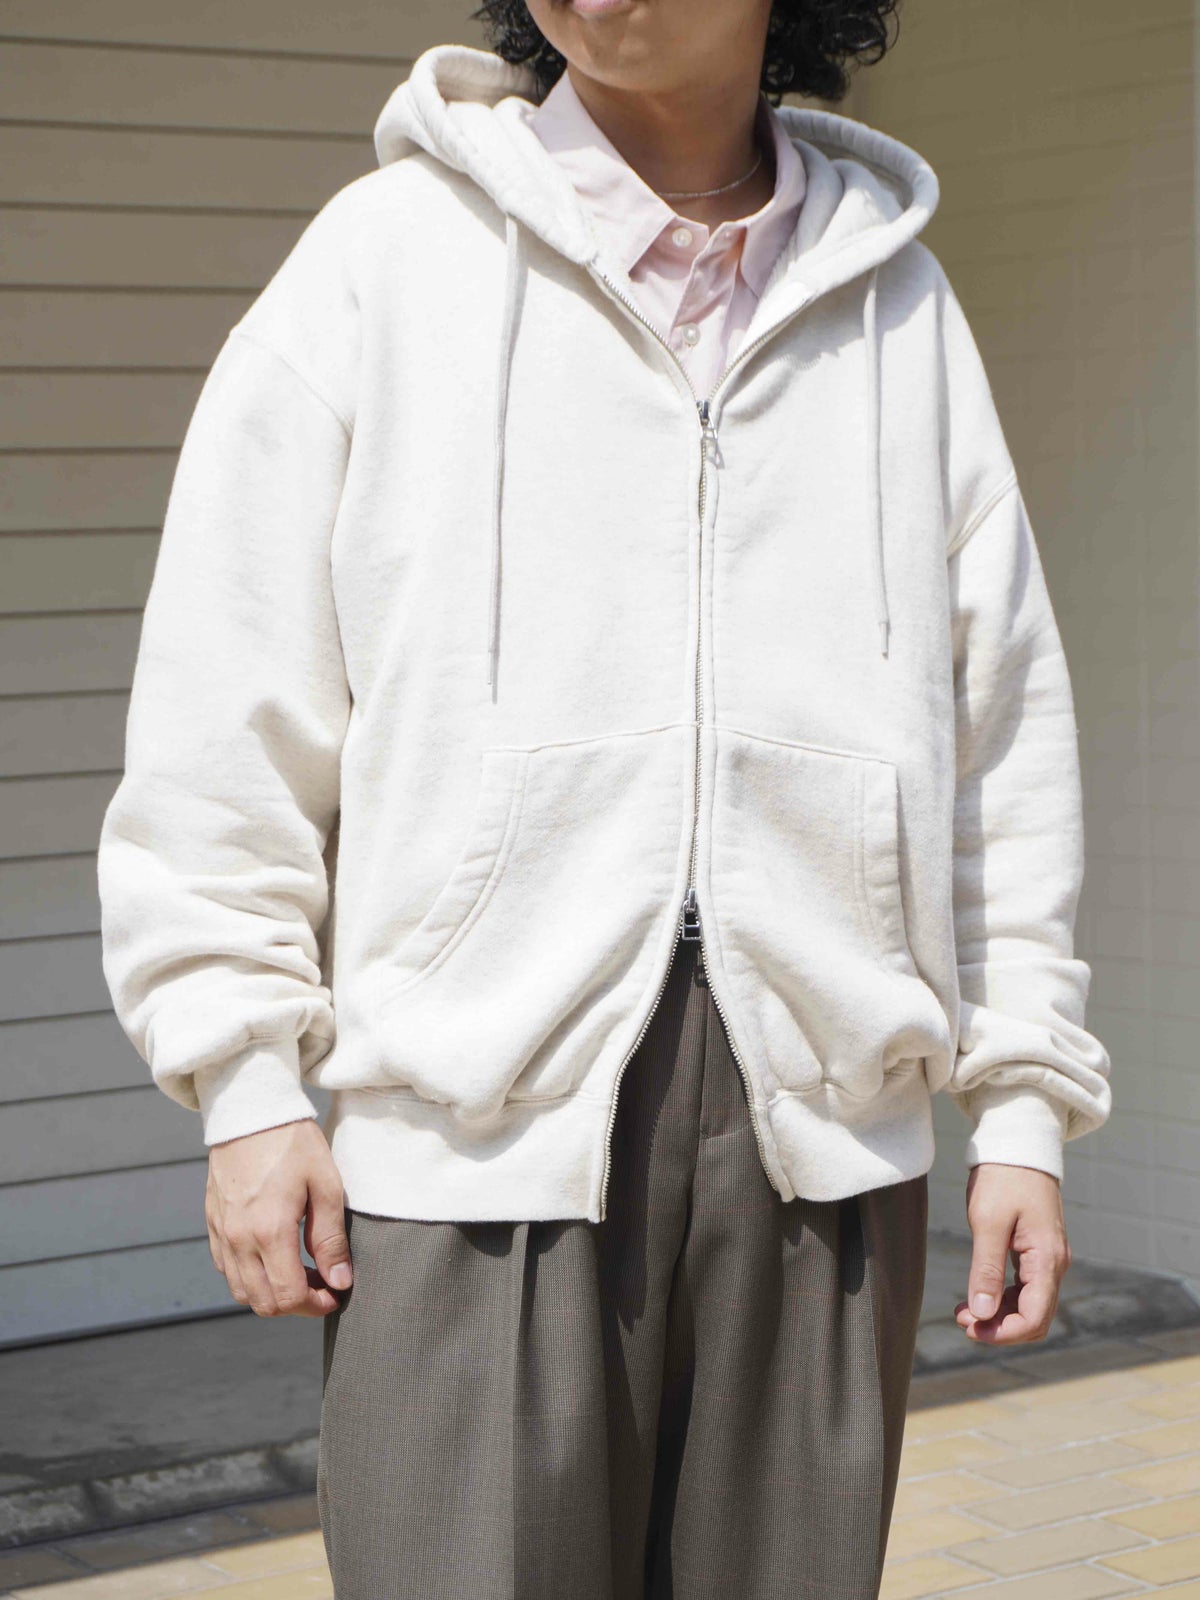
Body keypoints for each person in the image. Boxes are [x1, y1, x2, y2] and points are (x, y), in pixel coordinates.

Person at [97, 0, 1113, 1595]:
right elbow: (226, 705)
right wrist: (246, 1084)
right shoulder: (384, 262)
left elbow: (999, 739)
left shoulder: (896, 304)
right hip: (466, 1136)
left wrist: (1026, 1110)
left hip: (824, 1142)